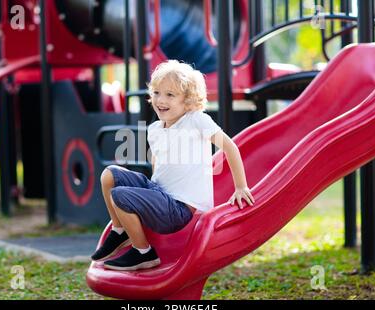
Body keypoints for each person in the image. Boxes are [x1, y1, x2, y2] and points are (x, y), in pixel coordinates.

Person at [91, 60, 255, 271]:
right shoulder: (154, 129)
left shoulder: (196, 120)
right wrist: (146, 198)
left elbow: (230, 147)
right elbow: (157, 164)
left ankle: (144, 253)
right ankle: (120, 230)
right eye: (157, 92)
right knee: (109, 175)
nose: (161, 100)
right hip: (161, 194)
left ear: (188, 101)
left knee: (120, 195)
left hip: (179, 208)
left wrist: (241, 186)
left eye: (170, 95)